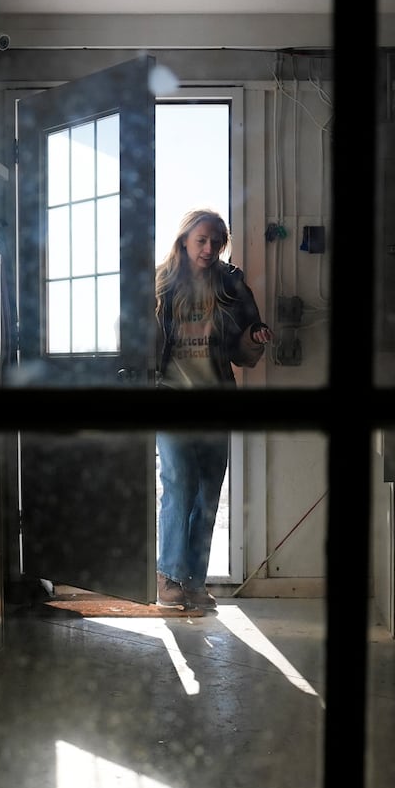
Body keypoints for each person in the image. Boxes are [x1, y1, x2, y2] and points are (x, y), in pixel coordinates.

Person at [153, 209, 272, 608]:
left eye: (216, 242)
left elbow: (244, 350)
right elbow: (136, 337)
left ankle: (193, 582)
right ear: (185, 238)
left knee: (207, 494)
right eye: (202, 240)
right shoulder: (160, 282)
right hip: (170, 397)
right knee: (178, 484)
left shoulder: (232, 283)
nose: (209, 249)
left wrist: (255, 338)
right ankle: (168, 576)